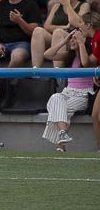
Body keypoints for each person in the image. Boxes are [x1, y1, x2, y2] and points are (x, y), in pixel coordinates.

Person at [42, 11, 100, 150]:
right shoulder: (69, 56)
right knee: (56, 98)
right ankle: (62, 133)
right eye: (72, 39)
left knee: (60, 110)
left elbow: (87, 63)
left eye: (75, 38)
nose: (74, 40)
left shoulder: (87, 53)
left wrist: (81, 44)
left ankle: (61, 146)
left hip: (83, 94)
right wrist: (65, 40)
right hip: (68, 92)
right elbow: (47, 55)